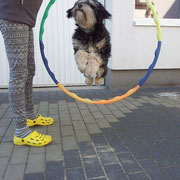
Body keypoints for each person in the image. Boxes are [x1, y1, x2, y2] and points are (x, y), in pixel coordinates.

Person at [0, 0, 54, 147]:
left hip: (25, 18)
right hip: (13, 15)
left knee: (30, 70)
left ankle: (30, 116)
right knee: (19, 73)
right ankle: (21, 132)